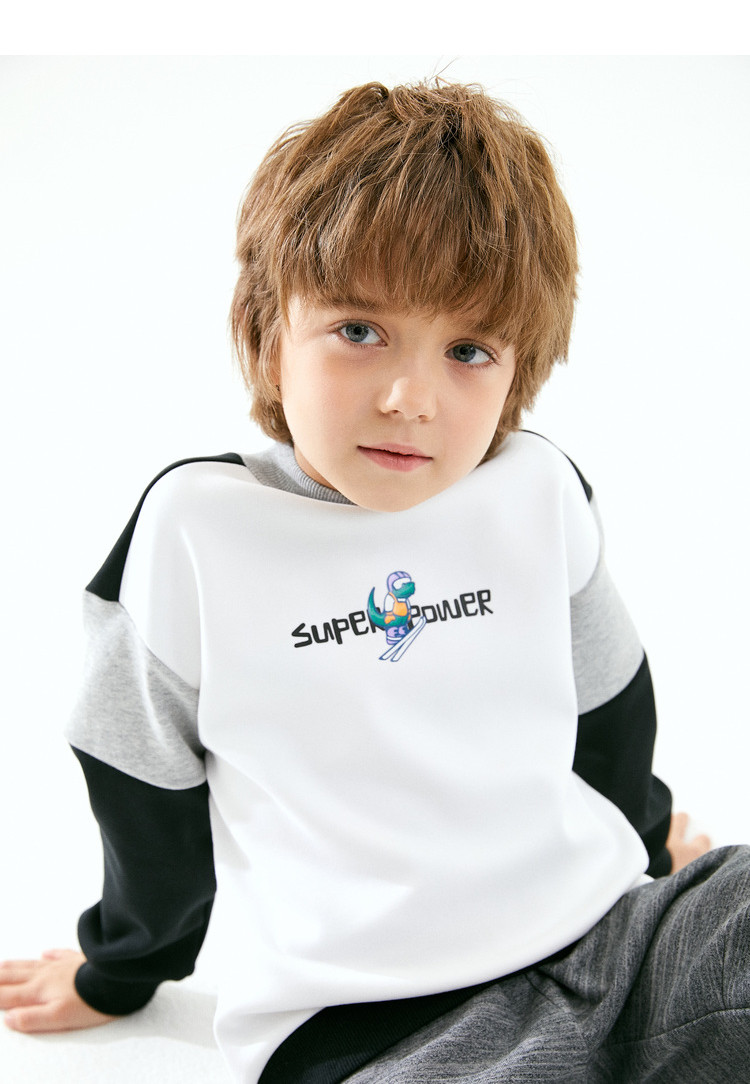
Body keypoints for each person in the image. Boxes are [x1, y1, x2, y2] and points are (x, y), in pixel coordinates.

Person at [0, 80, 744, 1083]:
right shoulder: (197, 532)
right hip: (374, 1026)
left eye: (468, 350)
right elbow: (142, 787)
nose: (409, 397)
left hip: (611, 934)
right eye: (359, 330)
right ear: (269, 333)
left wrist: (648, 850)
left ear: (517, 372)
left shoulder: (537, 489)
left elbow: (610, 710)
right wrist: (120, 970)